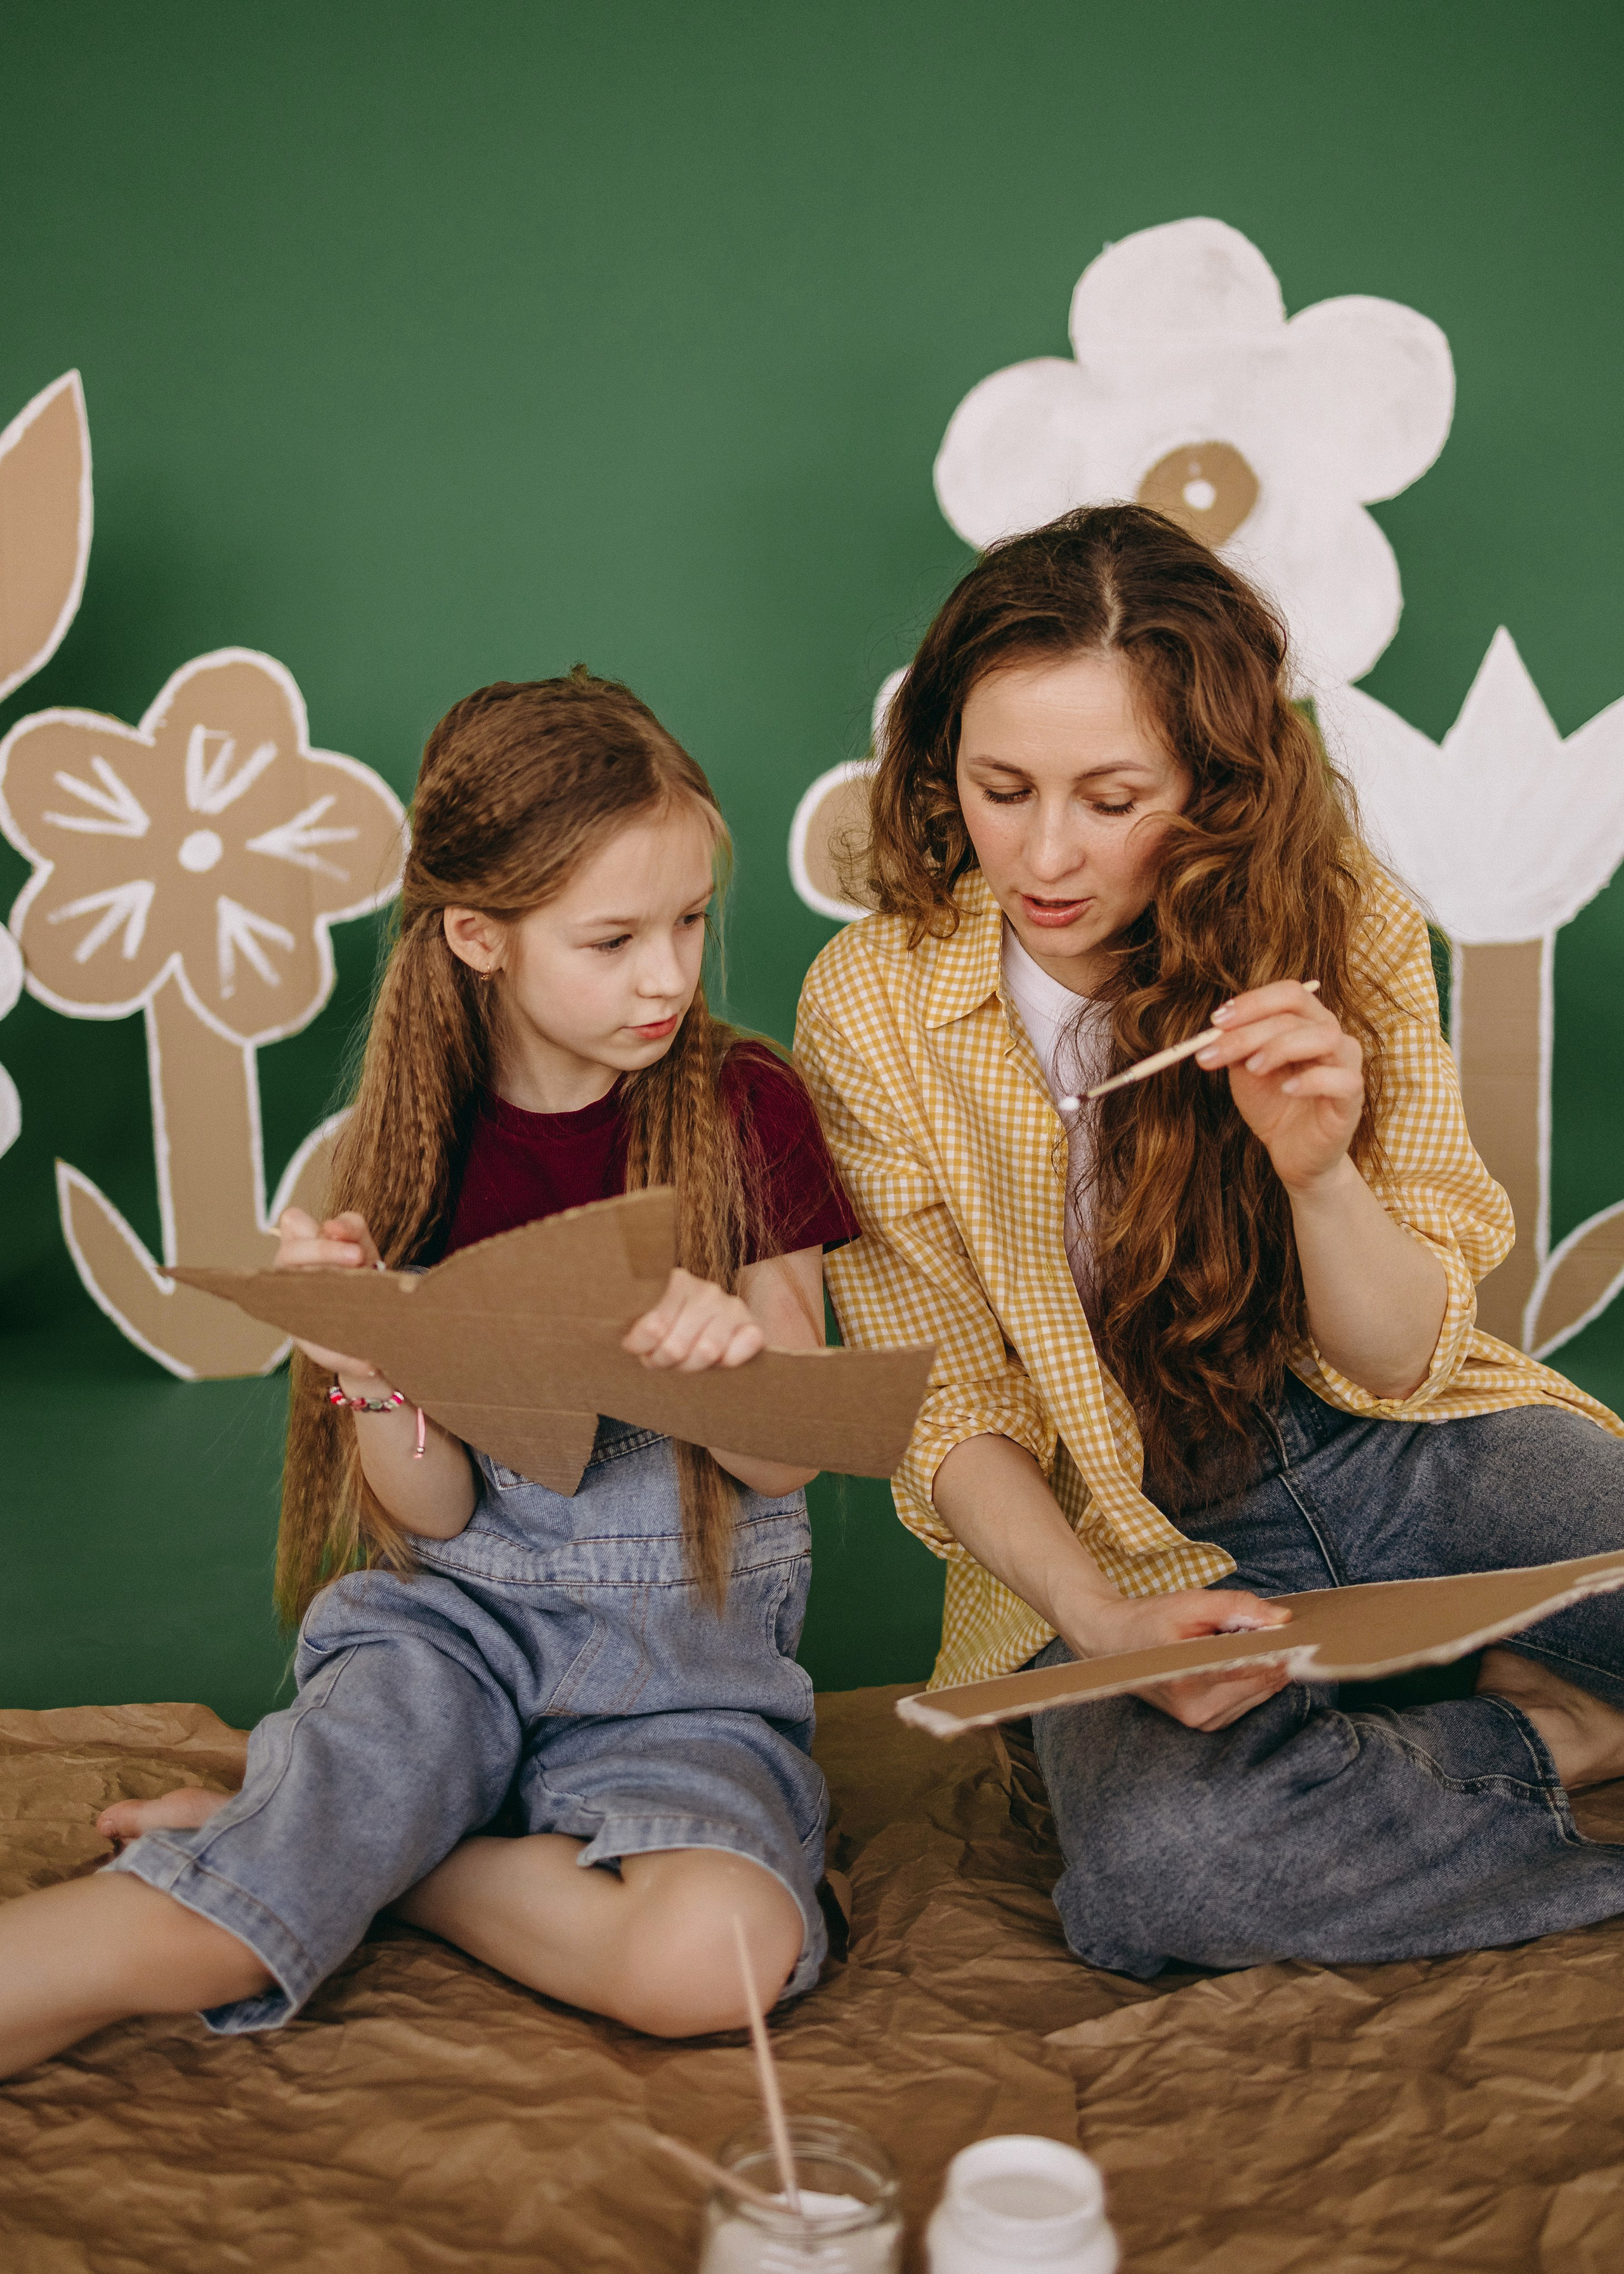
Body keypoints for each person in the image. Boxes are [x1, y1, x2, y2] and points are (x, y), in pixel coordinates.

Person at [795, 504, 1624, 1980]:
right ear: (941, 766)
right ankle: (1541, 1737)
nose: (1043, 853)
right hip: (1103, 1525)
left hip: (1384, 1439)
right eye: (998, 788)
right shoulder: (866, 1005)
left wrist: (1316, 1176)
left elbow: (1399, 1352)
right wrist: (1100, 1619)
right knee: (1168, 1880)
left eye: (1112, 798)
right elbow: (948, 1406)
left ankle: (1459, 1750)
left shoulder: (1337, 918)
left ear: (1213, 787)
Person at [0, 671, 858, 2077]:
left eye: (691, 920)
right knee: (189, 1935)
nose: (667, 974)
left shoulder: (742, 1105)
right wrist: (372, 1365)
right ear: (478, 936)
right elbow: (439, 1517)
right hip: (450, 1636)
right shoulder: (389, 1155)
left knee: (714, 1959)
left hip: (681, 1676)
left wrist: (738, 1361)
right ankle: (317, 1839)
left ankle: (348, 1853)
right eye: (613, 937)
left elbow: (784, 1462)